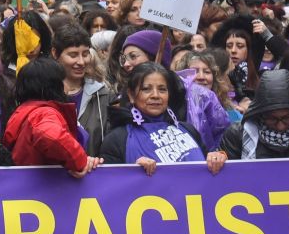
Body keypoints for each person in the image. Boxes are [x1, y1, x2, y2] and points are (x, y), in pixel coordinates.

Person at [95, 64, 229, 175]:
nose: (155, 95)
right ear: (131, 95)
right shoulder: (116, 140)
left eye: (162, 89)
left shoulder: (189, 130)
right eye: (146, 89)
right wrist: (132, 172)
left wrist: (217, 157)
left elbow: (210, 170)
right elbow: (109, 190)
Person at [3, 57, 96, 178]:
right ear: (54, 85)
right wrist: (80, 161)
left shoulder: (25, 112)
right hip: (48, 191)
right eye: (64, 80)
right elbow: (51, 136)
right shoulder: (43, 113)